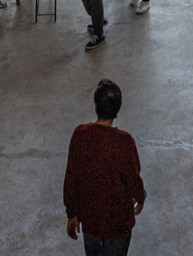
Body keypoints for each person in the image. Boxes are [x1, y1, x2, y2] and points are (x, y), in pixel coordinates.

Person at [63, 79, 146, 256]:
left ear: (95, 106)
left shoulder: (80, 135)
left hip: (91, 220)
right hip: (119, 223)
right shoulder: (125, 141)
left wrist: (72, 213)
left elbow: (71, 178)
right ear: (118, 109)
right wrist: (141, 197)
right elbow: (133, 177)